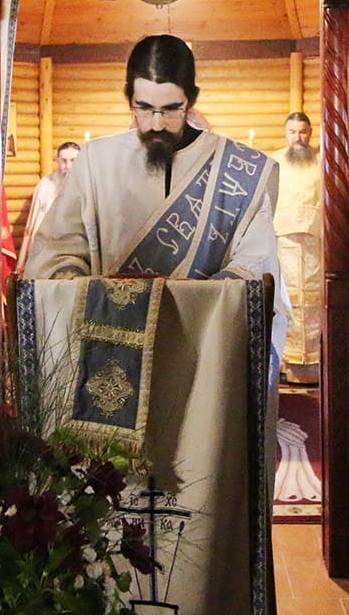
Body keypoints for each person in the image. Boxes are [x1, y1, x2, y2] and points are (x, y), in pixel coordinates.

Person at [24, 34, 287, 373]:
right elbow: (56, 250)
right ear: (128, 98)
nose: (157, 123)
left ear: (192, 99)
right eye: (145, 108)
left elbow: (254, 263)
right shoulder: (95, 162)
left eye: (172, 108)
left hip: (202, 351)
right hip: (110, 347)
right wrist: (82, 289)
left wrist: (193, 308)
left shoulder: (242, 169)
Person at [270, 113, 322, 384]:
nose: (298, 137)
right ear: (285, 133)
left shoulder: (322, 162)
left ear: (310, 133)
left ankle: (315, 364)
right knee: (287, 299)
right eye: (292, 132)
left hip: (315, 242)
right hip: (284, 241)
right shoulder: (274, 162)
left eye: (302, 132)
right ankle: (287, 364)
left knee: (313, 301)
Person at [16, 140, 81, 273]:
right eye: (64, 161)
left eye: (73, 161)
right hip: (48, 248)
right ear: (57, 161)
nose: (68, 166)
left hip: (76, 249)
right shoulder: (45, 185)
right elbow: (34, 223)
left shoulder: (86, 186)